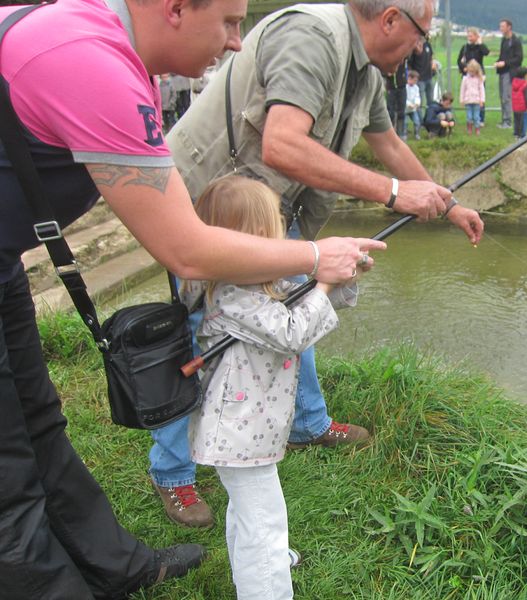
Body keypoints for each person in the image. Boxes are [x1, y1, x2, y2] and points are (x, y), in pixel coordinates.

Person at [0, 0, 385, 596]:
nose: (238, 42)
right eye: (230, 21)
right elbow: (188, 249)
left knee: (37, 417)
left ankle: (110, 563)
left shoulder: (118, 57)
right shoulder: (90, 61)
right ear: (176, 8)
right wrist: (315, 257)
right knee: (6, 465)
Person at [164, 0, 484, 528]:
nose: (419, 49)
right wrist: (393, 193)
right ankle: (172, 471)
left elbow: (389, 143)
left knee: (297, 304)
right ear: (390, 20)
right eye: (421, 36)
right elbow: (282, 144)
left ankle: (307, 423)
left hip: (271, 209)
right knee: (201, 338)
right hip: (215, 205)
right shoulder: (313, 38)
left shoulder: (366, 72)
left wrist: (448, 205)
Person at [183, 175, 361, 600]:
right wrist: (325, 282)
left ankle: (257, 564)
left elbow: (301, 297)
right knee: (264, 524)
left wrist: (342, 276)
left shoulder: (254, 284)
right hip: (238, 434)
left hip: (247, 431)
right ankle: (266, 579)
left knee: (250, 514)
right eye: (277, 227)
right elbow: (292, 331)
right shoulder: (233, 294)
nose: (283, 235)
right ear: (256, 237)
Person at [494, 18, 522, 130]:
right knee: (502, 96)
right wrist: (498, 62)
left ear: (509, 27)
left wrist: (505, 63)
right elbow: (502, 56)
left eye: (502, 26)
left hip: (510, 73)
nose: (500, 28)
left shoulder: (515, 41)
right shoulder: (504, 40)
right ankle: (504, 120)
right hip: (502, 71)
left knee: (507, 97)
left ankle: (508, 121)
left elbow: (519, 58)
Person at [457, 27, 490, 125]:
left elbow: (486, 52)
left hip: (479, 75)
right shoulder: (465, 47)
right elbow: (459, 60)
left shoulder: (480, 47)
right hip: (468, 75)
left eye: (471, 36)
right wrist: (463, 68)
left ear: (476, 36)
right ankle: (470, 118)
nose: (469, 38)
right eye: (468, 36)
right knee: (469, 95)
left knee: (480, 94)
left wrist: (480, 43)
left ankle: (480, 118)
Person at [459, 60, 485, 136]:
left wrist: (482, 100)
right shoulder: (465, 79)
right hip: (468, 101)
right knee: (469, 116)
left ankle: (477, 128)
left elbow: (482, 90)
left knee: (476, 116)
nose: (471, 73)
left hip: (476, 101)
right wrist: (462, 100)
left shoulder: (479, 79)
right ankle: (469, 128)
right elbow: (462, 90)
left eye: (473, 72)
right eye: (470, 71)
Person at [408, 37, 434, 110]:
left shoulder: (428, 44)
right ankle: (419, 117)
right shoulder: (415, 46)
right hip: (419, 79)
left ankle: (430, 115)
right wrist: (413, 75)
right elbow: (409, 62)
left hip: (429, 76)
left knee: (430, 100)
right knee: (419, 101)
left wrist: (433, 64)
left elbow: (431, 57)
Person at [385, 57, 407, 139]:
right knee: (390, 112)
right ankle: (390, 133)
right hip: (391, 88)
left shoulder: (402, 57)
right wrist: (387, 73)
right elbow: (381, 69)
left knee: (401, 112)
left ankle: (400, 133)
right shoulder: (388, 58)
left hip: (402, 86)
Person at [511, 66, 527, 140]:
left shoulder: (514, 82)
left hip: (515, 105)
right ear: (525, 75)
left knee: (516, 120)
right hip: (523, 106)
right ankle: (522, 134)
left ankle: (516, 133)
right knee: (523, 120)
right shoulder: (525, 84)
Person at [405, 69, 422, 140]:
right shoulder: (405, 87)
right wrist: (409, 104)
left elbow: (417, 96)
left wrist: (417, 103)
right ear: (409, 78)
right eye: (414, 80)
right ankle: (404, 135)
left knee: (417, 121)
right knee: (405, 123)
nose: (415, 82)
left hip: (413, 109)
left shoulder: (416, 88)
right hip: (405, 109)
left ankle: (417, 134)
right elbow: (403, 98)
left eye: (416, 81)